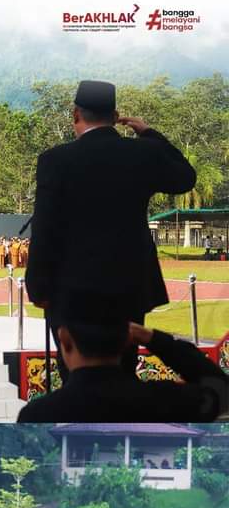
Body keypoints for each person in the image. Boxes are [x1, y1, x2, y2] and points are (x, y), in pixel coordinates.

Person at [25, 79, 197, 384]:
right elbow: (185, 177)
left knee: (75, 378)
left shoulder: (55, 160)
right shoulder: (142, 153)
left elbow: (45, 227)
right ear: (116, 115)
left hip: (70, 289)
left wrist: (38, 288)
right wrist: (148, 132)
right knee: (123, 372)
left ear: (76, 114)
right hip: (127, 287)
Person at [17, 305, 229, 422]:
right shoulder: (167, 400)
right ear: (129, 339)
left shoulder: (37, 414)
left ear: (64, 339)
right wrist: (151, 338)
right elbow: (223, 391)